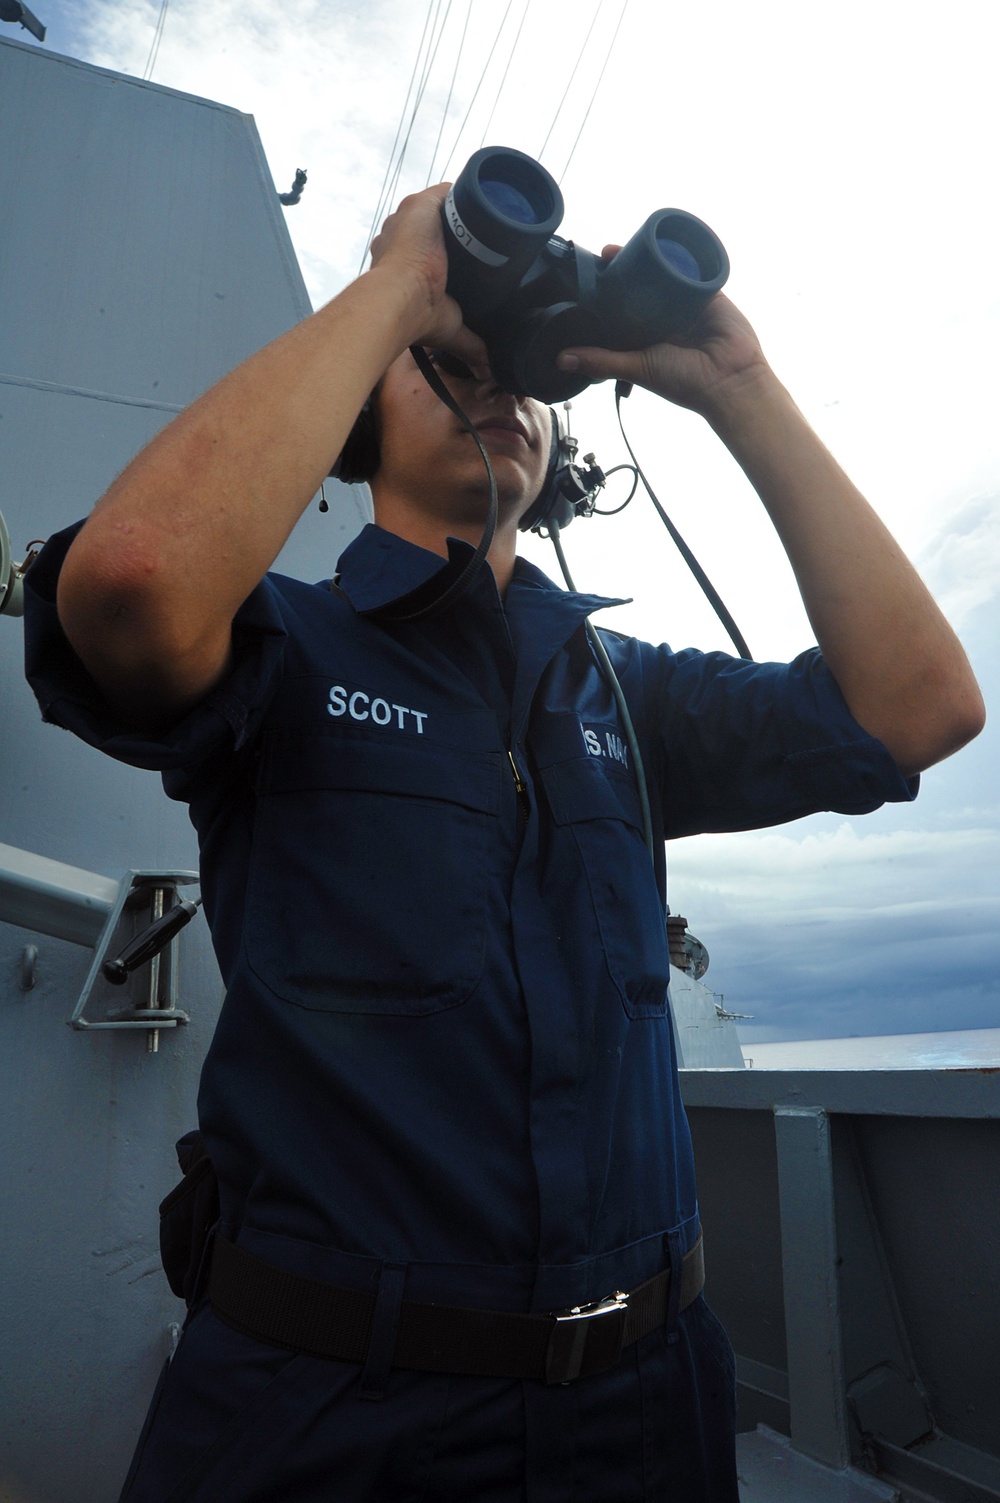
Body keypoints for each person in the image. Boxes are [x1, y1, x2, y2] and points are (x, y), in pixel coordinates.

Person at [24, 183, 984, 1503]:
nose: (498, 397)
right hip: (327, 1414)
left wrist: (742, 387)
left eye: (519, 380)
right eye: (446, 369)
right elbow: (130, 589)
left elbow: (922, 706)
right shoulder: (288, 649)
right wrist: (398, 290)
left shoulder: (625, 691)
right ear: (360, 421)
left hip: (648, 1408)